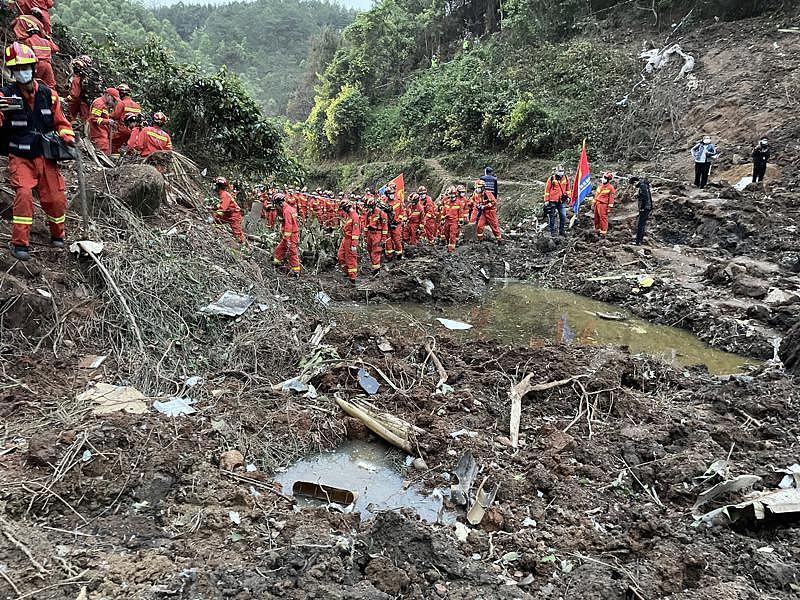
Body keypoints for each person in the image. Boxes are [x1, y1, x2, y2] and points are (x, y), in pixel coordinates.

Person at [0, 42, 75, 261]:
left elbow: (62, 122)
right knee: (23, 194)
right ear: (13, 72)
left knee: (56, 198)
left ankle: (57, 235)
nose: (22, 72)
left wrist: (66, 136)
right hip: (21, 157)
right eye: (17, 69)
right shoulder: (6, 96)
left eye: (25, 68)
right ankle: (19, 243)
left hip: (46, 155)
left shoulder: (48, 95)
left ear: (33, 68)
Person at [19, 21, 58, 88]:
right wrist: (50, 40)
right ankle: (51, 97)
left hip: (37, 64)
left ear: (29, 33)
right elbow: (56, 49)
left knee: (33, 83)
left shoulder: (28, 41)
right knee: (50, 85)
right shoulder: (46, 41)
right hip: (48, 65)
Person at [272, 193, 300, 276]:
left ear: (279, 203)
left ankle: (296, 271)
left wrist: (287, 239)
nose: (276, 207)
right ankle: (276, 263)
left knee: (292, 253)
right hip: (289, 234)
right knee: (280, 249)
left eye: (276, 205)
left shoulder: (287, 211)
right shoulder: (290, 209)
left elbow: (289, 226)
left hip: (291, 235)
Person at [212, 177, 245, 243]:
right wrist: (212, 209)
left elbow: (222, 209)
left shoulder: (224, 194)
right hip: (229, 213)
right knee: (216, 220)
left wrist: (213, 216)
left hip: (234, 214)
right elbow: (220, 206)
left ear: (218, 186)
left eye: (215, 185)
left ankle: (243, 245)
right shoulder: (222, 194)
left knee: (237, 232)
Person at [111, 84, 142, 153]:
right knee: (129, 148)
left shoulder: (121, 103)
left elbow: (115, 116)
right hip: (133, 132)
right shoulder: (137, 106)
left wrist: (108, 114)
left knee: (114, 146)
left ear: (121, 94)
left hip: (122, 131)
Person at [543, 165, 571, 237]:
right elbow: (547, 190)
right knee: (552, 216)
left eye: (562, 171)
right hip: (552, 200)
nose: (561, 172)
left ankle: (561, 230)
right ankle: (552, 231)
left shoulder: (566, 178)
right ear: (556, 171)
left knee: (563, 216)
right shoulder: (552, 178)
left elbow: (568, 189)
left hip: (561, 200)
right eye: (560, 171)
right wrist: (546, 200)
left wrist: (568, 197)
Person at [89, 88, 119, 155]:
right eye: (113, 100)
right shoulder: (99, 103)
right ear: (108, 95)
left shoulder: (104, 105)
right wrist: (107, 121)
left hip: (103, 135)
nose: (113, 102)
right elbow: (93, 118)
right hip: (99, 135)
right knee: (102, 154)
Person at [337, 200, 361, 284]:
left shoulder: (355, 216)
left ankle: (352, 278)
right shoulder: (349, 215)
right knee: (340, 255)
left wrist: (354, 244)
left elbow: (356, 231)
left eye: (344, 208)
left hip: (350, 240)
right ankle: (346, 272)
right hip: (345, 239)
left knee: (351, 258)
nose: (343, 210)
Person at [364, 195, 388, 276]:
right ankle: (375, 266)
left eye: (371, 207)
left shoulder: (381, 213)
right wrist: (365, 236)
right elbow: (366, 225)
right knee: (370, 250)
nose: (369, 208)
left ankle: (376, 270)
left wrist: (383, 239)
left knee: (376, 251)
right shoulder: (369, 213)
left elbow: (385, 227)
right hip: (370, 234)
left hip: (378, 234)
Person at [473, 179, 503, 243]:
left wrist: (485, 206)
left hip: (490, 213)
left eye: (478, 188)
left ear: (482, 188)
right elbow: (477, 202)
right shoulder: (478, 195)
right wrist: (478, 206)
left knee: (494, 227)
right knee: (480, 226)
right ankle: (480, 240)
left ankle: (499, 240)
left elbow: (493, 203)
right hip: (483, 213)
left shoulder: (488, 194)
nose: (477, 189)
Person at [440, 186, 466, 252]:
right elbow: (443, 211)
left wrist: (460, 222)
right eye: (451, 196)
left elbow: (461, 213)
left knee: (452, 234)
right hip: (447, 221)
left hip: (454, 221)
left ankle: (451, 249)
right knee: (446, 234)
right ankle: (448, 244)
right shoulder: (447, 202)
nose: (452, 198)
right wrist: (442, 219)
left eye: (453, 196)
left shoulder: (459, 203)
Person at [383, 183, 405, 260]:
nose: (392, 195)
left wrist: (397, 221)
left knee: (397, 239)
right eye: (390, 194)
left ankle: (399, 255)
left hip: (397, 224)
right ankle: (389, 256)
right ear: (387, 194)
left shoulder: (398, 200)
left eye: (393, 193)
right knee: (388, 240)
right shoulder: (384, 202)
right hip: (387, 224)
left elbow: (402, 212)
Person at [629, 176, 652, 245]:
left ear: (635, 182)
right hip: (647, 207)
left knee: (640, 225)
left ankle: (638, 242)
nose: (633, 186)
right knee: (642, 224)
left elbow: (645, 197)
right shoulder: (644, 185)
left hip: (645, 208)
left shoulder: (642, 186)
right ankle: (639, 241)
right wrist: (638, 196)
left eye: (633, 185)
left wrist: (642, 207)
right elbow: (645, 196)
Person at [67, 56, 91, 122]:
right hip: (86, 102)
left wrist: (66, 100)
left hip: (78, 101)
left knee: (69, 116)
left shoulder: (77, 78)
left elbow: (74, 95)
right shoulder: (88, 78)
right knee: (85, 121)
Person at [592, 172, 616, 236]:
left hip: (603, 205)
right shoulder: (600, 186)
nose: (603, 179)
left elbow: (611, 199)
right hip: (597, 203)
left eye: (605, 178)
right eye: (603, 177)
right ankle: (597, 230)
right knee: (596, 217)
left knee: (603, 218)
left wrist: (609, 208)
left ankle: (603, 232)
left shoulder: (610, 188)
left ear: (608, 180)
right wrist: (593, 203)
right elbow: (596, 195)